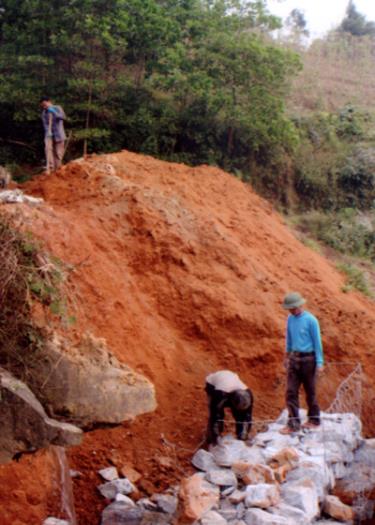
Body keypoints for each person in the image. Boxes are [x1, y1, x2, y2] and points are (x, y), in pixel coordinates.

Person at [280, 292, 324, 434]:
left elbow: (317, 342)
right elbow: (289, 338)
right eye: (290, 309)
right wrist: (287, 356)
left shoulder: (311, 320)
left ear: (300, 305)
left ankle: (314, 419)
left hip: (308, 360)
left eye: (294, 308)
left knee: (310, 391)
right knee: (291, 392)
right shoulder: (290, 319)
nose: (292, 310)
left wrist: (319, 362)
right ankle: (293, 424)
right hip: (294, 359)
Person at [205, 370, 253, 445]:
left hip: (230, 382)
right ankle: (211, 439)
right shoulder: (220, 395)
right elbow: (214, 415)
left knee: (240, 416)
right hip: (213, 384)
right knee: (218, 415)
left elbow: (248, 417)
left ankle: (240, 435)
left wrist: (244, 435)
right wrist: (216, 437)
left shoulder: (249, 394)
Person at [40, 97, 66, 173]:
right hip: (49, 134)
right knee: (48, 149)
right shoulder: (44, 113)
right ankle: (50, 167)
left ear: (49, 102)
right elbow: (45, 124)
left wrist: (54, 112)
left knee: (58, 153)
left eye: (45, 105)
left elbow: (63, 117)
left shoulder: (58, 108)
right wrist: (48, 131)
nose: (44, 107)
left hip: (59, 134)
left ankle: (57, 170)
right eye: (43, 106)